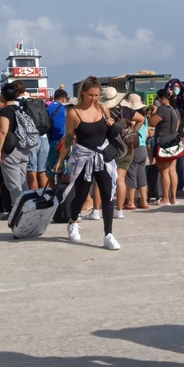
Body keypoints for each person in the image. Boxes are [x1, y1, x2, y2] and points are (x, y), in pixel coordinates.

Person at [54, 76, 120, 250]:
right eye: (91, 95)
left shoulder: (103, 109)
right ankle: (73, 221)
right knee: (81, 195)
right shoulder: (73, 113)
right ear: (83, 93)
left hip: (103, 157)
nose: (94, 98)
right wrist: (60, 160)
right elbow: (68, 138)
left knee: (107, 194)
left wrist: (112, 124)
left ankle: (108, 234)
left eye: (97, 95)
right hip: (83, 157)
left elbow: (110, 133)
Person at [103, 86, 144, 219]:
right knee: (121, 179)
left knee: (104, 180)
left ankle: (97, 210)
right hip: (128, 147)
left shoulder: (105, 112)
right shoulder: (126, 110)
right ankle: (119, 210)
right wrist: (134, 131)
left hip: (112, 148)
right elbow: (141, 119)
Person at [0, 84, 31, 212]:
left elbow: (3, 131)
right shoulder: (20, 109)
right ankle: (29, 207)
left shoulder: (6, 111)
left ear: (3, 96)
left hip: (10, 150)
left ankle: (19, 211)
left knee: (13, 184)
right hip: (23, 148)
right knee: (23, 182)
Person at [150, 89, 182, 206]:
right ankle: (173, 197)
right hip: (174, 142)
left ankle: (165, 198)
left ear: (162, 97)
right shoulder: (175, 110)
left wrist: (153, 112)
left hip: (163, 142)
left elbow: (152, 123)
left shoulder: (162, 109)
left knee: (164, 171)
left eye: (157, 98)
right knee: (172, 171)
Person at [45, 88, 70, 187]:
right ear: (64, 99)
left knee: (51, 166)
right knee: (65, 165)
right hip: (64, 140)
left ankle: (52, 188)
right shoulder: (65, 108)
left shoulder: (47, 107)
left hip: (51, 140)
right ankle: (63, 188)